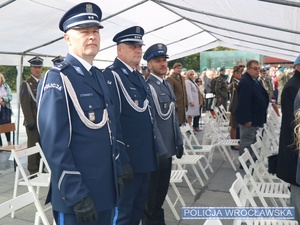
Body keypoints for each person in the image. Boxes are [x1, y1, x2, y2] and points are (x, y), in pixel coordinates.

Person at [36, 3, 122, 225]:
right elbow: (54, 146)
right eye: (84, 31)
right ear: (67, 38)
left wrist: (119, 169)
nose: (91, 36)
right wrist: (76, 194)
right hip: (78, 197)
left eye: (95, 31)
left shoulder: (98, 76)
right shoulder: (57, 79)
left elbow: (109, 131)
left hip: (106, 190)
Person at [102, 26, 168, 225]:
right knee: (123, 213)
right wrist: (122, 159)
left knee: (138, 210)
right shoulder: (112, 76)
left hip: (145, 158)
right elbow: (113, 122)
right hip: (128, 159)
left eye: (139, 46)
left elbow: (146, 116)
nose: (138, 50)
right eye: (132, 46)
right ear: (119, 50)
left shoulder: (138, 76)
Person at [142, 43, 183, 225]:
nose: (163, 64)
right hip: (156, 153)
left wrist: (179, 141)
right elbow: (151, 123)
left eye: (164, 60)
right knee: (151, 199)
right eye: (158, 61)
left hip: (168, 149)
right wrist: (160, 150)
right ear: (149, 65)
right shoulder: (148, 87)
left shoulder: (165, 85)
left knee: (160, 195)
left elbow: (172, 116)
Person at [279, 55, 300, 223]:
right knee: (296, 189)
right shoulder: (294, 86)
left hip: (294, 142)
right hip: (295, 144)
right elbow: (293, 120)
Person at [236, 60, 269, 158]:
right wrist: (247, 119)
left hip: (256, 117)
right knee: (247, 141)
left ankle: (252, 160)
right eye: (255, 69)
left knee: (253, 141)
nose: (257, 71)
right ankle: (245, 163)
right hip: (249, 119)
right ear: (248, 69)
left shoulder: (253, 80)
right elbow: (244, 103)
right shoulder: (246, 82)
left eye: (258, 68)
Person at [20, 56, 43, 175]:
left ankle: (41, 168)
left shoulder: (44, 82)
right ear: (31, 69)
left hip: (43, 121)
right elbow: (25, 104)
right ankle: (33, 171)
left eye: (39, 67)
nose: (37, 70)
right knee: (33, 147)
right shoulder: (26, 84)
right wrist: (29, 121)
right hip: (32, 121)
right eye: (35, 67)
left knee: (43, 146)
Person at [228, 66, 242, 149]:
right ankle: (233, 143)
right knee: (234, 125)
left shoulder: (239, 82)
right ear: (234, 74)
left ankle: (236, 141)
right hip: (235, 107)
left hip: (238, 107)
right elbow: (234, 97)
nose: (239, 74)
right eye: (237, 73)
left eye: (240, 73)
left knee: (237, 125)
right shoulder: (234, 84)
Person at [0, 73, 13, 147]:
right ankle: (0, 144)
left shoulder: (6, 86)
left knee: (7, 126)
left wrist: (3, 99)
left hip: (6, 109)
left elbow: (10, 97)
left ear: (2, 79)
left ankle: (9, 141)